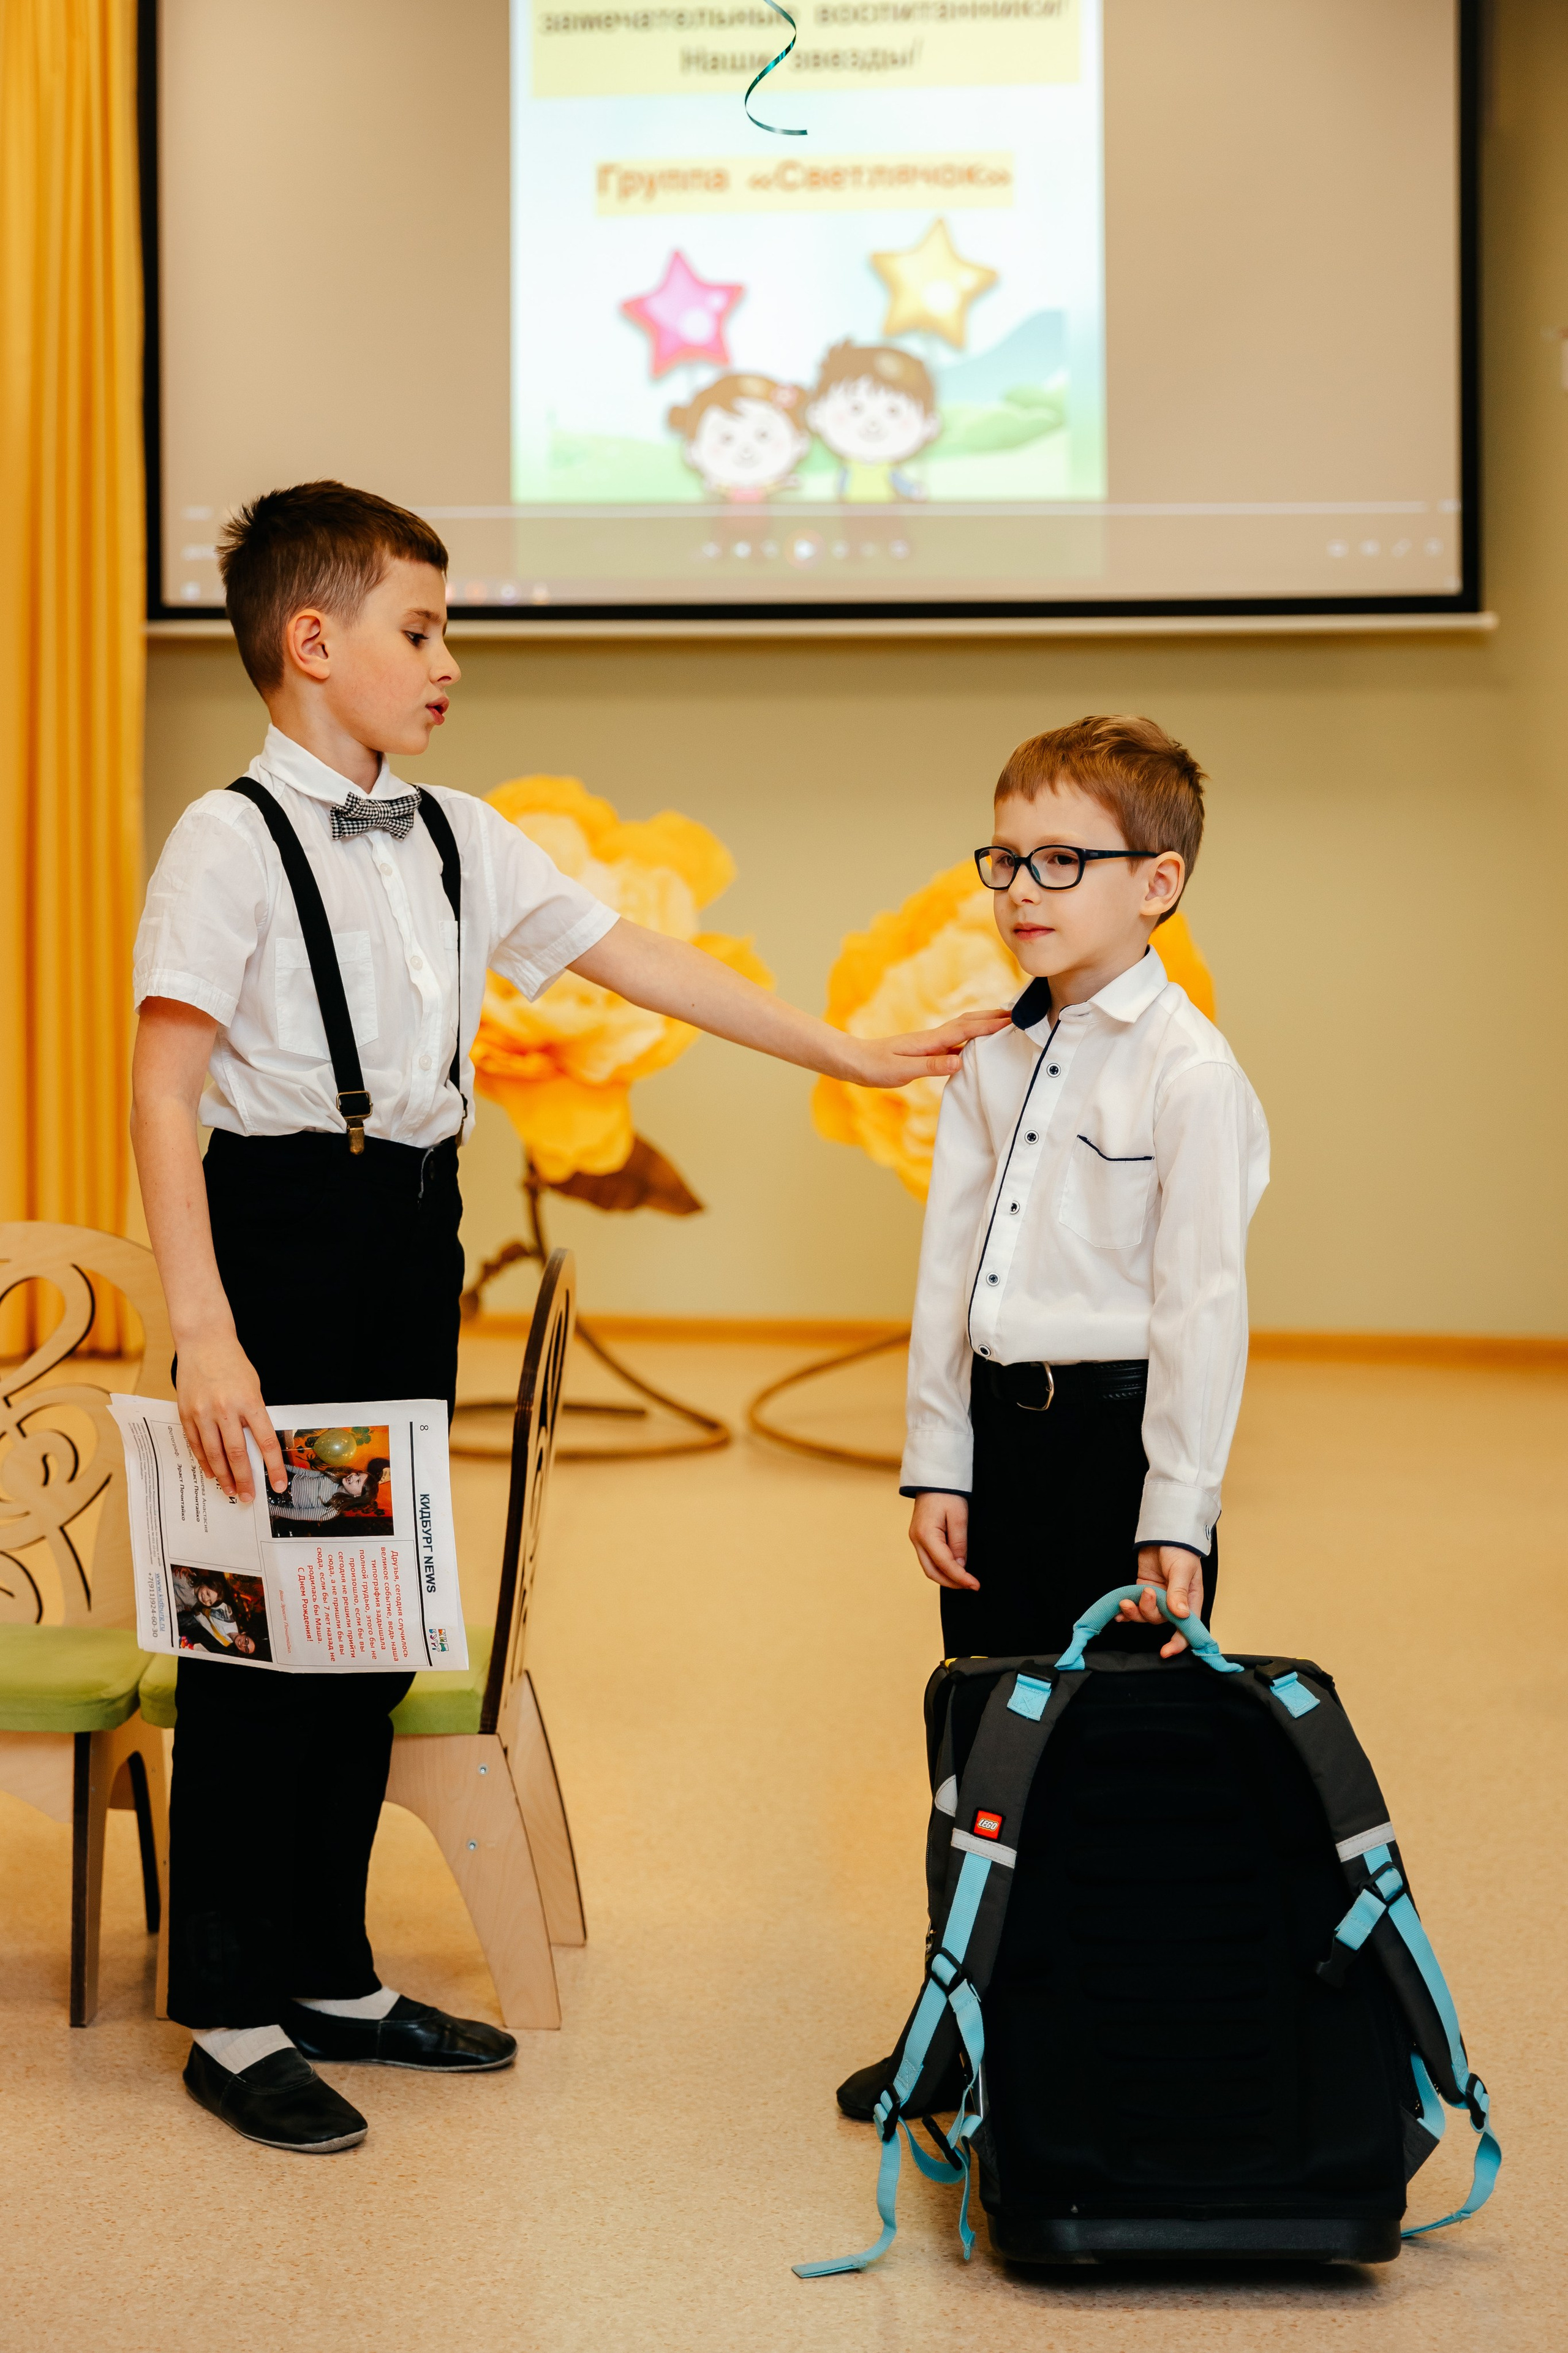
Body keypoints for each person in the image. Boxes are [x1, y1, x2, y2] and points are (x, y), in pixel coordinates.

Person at [130, 478, 1006, 2156]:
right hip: (281, 1234)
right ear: (315, 644)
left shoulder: (463, 833)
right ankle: (233, 2010)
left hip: (409, 1234)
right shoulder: (224, 843)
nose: (449, 657)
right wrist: (205, 1326)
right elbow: (164, 1095)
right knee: (266, 1631)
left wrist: (848, 1050)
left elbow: (639, 965)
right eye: (419, 626)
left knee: (373, 1620)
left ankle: (330, 1971)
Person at [836, 713, 1270, 2121]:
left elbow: (1199, 1310)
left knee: (1106, 1753)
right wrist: (935, 1460)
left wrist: (1175, 1512)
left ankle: (1092, 2029)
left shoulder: (1188, 1074)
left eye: (1060, 860)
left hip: (1120, 1446)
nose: (1020, 887)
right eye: (1003, 857)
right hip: (1002, 1440)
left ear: (1154, 882)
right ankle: (953, 2016)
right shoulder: (989, 1055)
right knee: (978, 1741)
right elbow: (947, 1271)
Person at [805, 342, 940, 502]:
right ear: (817, 414)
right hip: (854, 509)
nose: (873, 423)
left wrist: (913, 490)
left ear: (929, 425)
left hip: (885, 510)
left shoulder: (887, 468)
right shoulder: (850, 466)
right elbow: (842, 485)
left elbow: (899, 482)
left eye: (893, 411)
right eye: (855, 408)